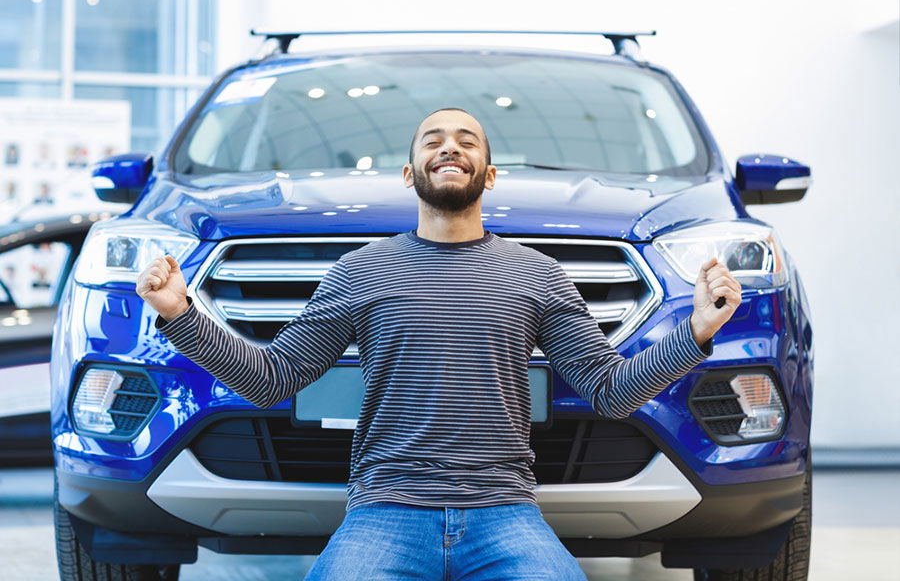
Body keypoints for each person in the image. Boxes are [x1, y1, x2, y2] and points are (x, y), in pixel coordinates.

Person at [137, 107, 742, 580]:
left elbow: (609, 392)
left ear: (489, 173)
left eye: (466, 140)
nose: (449, 146)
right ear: (410, 173)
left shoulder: (535, 273)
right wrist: (181, 314)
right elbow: (271, 379)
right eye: (432, 140)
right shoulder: (360, 271)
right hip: (384, 512)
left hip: (505, 514)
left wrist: (697, 332)